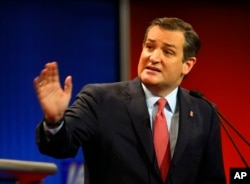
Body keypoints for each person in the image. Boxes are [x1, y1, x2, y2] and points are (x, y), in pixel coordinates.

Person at [34, 17, 226, 184]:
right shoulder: (100, 99)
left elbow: (211, 179)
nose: (154, 57)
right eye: (149, 47)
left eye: (167, 52)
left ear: (187, 65)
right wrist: (54, 121)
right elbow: (60, 147)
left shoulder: (204, 112)